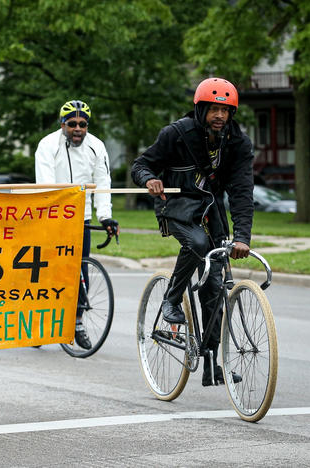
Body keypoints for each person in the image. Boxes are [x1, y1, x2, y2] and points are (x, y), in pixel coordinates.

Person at [131, 77, 252, 386]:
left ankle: (212, 365)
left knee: (214, 286)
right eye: (213, 109)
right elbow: (141, 164)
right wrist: (149, 179)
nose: (220, 116)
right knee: (197, 243)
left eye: (226, 111)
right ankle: (171, 299)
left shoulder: (237, 143)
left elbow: (241, 192)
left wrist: (242, 237)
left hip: (211, 212)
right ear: (200, 109)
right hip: (177, 207)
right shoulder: (176, 133)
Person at [35, 100, 119, 350]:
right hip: (52, 215)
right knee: (50, 271)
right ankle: (42, 320)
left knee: (81, 270)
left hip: (81, 216)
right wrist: (56, 214)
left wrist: (105, 217)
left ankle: (77, 320)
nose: (78, 129)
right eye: (72, 124)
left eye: (83, 124)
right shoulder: (48, 145)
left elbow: (103, 182)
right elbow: (46, 185)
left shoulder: (96, 146)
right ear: (63, 124)